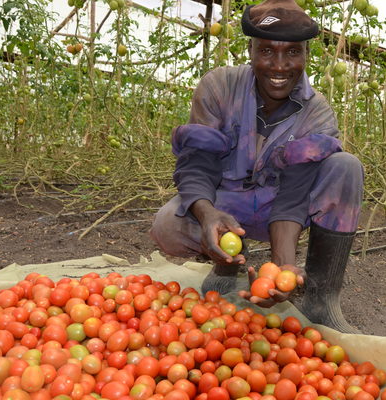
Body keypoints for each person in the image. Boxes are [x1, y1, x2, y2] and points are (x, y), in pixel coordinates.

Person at [150, 0, 364, 333]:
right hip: (226, 206)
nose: (279, 66)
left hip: (279, 211)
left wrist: (283, 265)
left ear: (306, 54)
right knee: (168, 224)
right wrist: (208, 215)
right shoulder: (218, 86)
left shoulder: (317, 112)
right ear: (250, 49)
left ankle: (321, 299)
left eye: (292, 52)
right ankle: (226, 269)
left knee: (345, 166)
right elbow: (197, 164)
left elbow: (293, 195)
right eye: (266, 51)